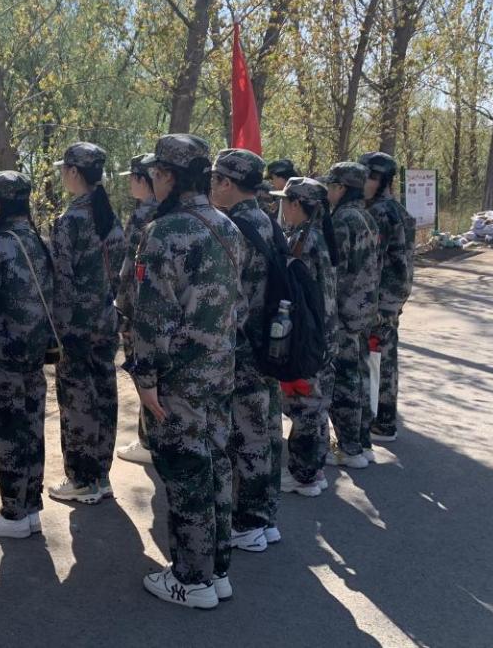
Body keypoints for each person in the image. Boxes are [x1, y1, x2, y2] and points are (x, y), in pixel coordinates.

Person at [131, 134, 243, 610]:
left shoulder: (165, 232)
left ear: (168, 176)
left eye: (157, 174)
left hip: (178, 378)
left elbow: (152, 315)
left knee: (185, 472)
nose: (154, 182)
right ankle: (216, 570)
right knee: (215, 465)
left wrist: (145, 379)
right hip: (219, 370)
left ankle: (191, 579)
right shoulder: (227, 226)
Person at [209, 149, 283, 553]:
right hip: (270, 341)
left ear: (227, 183)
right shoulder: (268, 219)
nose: (211, 186)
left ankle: (249, 522)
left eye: (215, 179)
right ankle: (265, 516)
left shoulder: (235, 226)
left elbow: (231, 297)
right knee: (267, 428)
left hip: (245, 346)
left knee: (247, 434)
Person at [0, 171, 55, 539]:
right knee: (32, 432)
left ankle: (14, 513)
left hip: (2, 362)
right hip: (35, 357)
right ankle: (30, 508)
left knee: (8, 436)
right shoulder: (40, 242)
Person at [48, 142, 126, 504]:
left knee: (78, 401)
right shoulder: (110, 218)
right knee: (104, 396)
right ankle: (101, 476)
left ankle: (82, 480)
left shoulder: (70, 221)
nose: (63, 175)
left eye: (65, 170)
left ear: (74, 172)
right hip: (106, 321)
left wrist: (58, 333)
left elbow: (61, 283)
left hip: (77, 328)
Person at [270, 177, 338, 497]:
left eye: (284, 201)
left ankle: (304, 475)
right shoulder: (320, 235)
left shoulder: (303, 240)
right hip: (326, 332)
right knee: (317, 404)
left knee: (305, 405)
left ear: (296, 204)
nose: (281, 207)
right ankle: (315, 469)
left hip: (309, 334)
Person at [321, 162, 379, 468]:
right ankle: (362, 442)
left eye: (330, 186)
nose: (328, 192)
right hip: (362, 310)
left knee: (343, 383)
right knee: (358, 378)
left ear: (341, 188)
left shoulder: (342, 220)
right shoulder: (366, 216)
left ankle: (349, 448)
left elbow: (335, 270)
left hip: (344, 314)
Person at [358, 152, 415, 443]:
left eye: (369, 177)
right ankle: (383, 418)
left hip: (381, 299)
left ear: (382, 181)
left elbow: (373, 262)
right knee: (384, 357)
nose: (364, 183)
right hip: (393, 296)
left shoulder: (380, 213)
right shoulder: (396, 209)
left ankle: (381, 421)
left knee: (377, 360)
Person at [116, 153, 159, 465]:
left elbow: (129, 272)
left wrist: (124, 313)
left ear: (143, 180)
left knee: (144, 374)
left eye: (132, 178)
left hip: (139, 313)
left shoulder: (144, 216)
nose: (129, 184)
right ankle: (150, 436)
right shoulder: (166, 210)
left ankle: (150, 441)